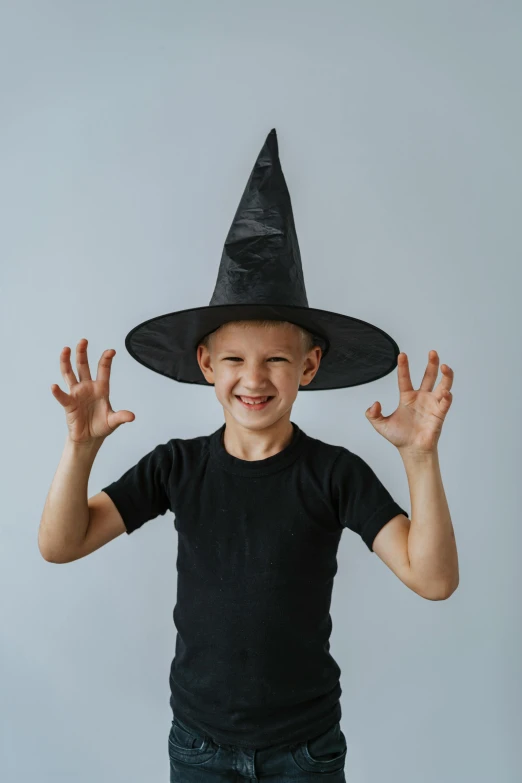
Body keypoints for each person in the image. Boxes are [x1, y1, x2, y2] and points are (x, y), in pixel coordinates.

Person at [39, 130, 458, 782]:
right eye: (233, 358)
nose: (253, 378)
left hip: (306, 751)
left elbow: (433, 578)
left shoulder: (334, 475)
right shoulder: (176, 467)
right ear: (206, 363)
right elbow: (61, 542)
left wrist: (421, 459)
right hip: (200, 748)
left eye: (276, 360)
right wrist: (79, 450)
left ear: (309, 366)